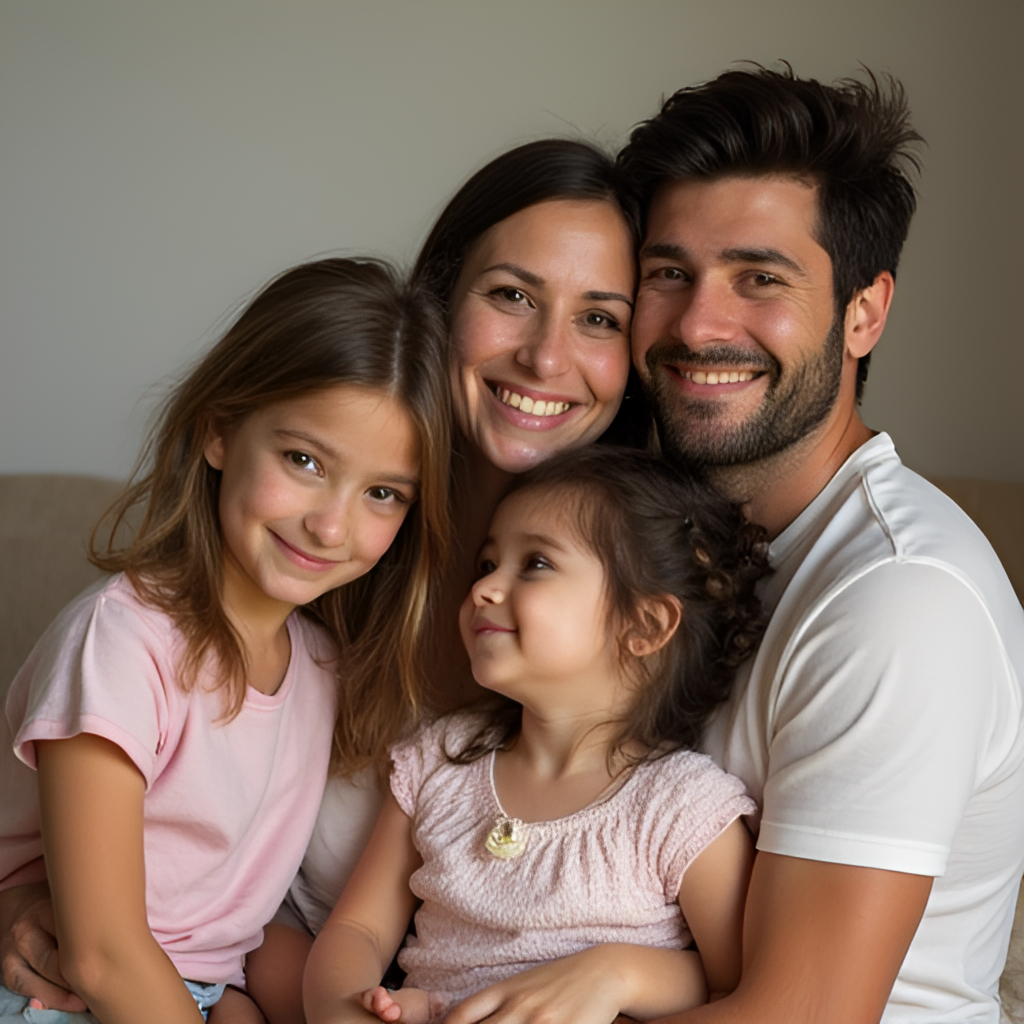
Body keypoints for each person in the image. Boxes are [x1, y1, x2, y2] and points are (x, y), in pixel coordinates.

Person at [608, 67, 1023, 1022]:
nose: (700, 324)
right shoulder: (678, 537)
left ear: (866, 312)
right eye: (669, 274)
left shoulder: (898, 598)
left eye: (761, 279)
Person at [238, 139, 643, 1024]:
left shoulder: (645, 607)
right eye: (512, 296)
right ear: (439, 300)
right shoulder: (313, 539)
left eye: (600, 318)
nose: (545, 358)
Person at [0, 258, 451, 1023]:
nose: (331, 525)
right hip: (62, 990)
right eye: (303, 460)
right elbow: (102, 954)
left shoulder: (320, 669)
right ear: (219, 431)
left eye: (381, 493)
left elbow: (231, 927)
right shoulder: (123, 640)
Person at [303, 448, 768, 1024]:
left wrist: (623, 973)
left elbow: (742, 987)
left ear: (644, 625)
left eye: (536, 564)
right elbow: (358, 928)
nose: (485, 589)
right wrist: (342, 1010)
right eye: (487, 564)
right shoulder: (439, 762)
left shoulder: (682, 808)